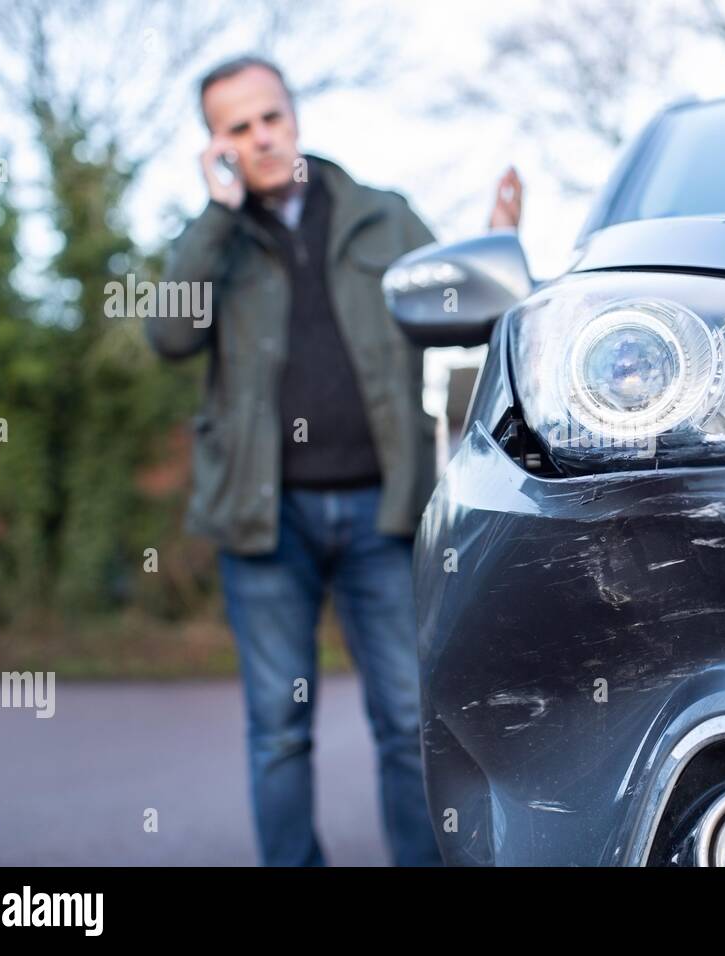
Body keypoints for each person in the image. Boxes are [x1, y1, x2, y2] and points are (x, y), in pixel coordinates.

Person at [145, 55, 522, 866]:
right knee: (278, 729)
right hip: (264, 519)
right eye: (237, 128)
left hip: (382, 509)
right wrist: (216, 216)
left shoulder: (381, 216)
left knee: (404, 718)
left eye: (270, 117)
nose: (261, 137)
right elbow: (169, 334)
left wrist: (494, 256)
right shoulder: (210, 242)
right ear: (216, 146)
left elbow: (455, 310)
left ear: (294, 116)